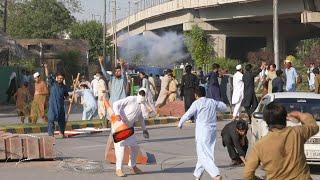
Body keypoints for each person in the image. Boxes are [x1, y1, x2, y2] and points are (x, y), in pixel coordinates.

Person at [244, 103, 319, 179]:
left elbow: (248, 174)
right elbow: (313, 126)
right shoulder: (297, 133)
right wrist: (299, 114)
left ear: (266, 120)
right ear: (285, 117)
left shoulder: (259, 145)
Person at [178, 86, 227, 180]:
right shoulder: (212, 101)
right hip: (212, 130)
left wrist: (180, 123)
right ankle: (197, 176)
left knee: (203, 154)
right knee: (205, 153)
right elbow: (224, 107)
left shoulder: (197, 103)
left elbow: (188, 114)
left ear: (196, 95)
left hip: (202, 131)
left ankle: (215, 175)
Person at [111, 88, 151, 177]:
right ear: (139, 94)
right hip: (119, 125)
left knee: (135, 147)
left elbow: (141, 118)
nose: (142, 96)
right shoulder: (131, 99)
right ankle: (118, 169)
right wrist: (117, 114)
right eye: (141, 94)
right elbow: (115, 104)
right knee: (120, 147)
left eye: (144, 94)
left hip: (129, 127)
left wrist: (144, 129)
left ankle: (132, 166)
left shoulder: (142, 105)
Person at [44, 64, 70, 137]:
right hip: (52, 106)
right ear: (56, 78)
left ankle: (62, 133)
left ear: (63, 79)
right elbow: (48, 76)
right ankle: (51, 134)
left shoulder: (64, 87)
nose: (60, 79)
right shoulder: (53, 83)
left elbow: (66, 96)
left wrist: (70, 99)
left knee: (62, 121)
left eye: (61, 78)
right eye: (58, 78)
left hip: (60, 106)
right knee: (51, 119)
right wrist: (46, 68)